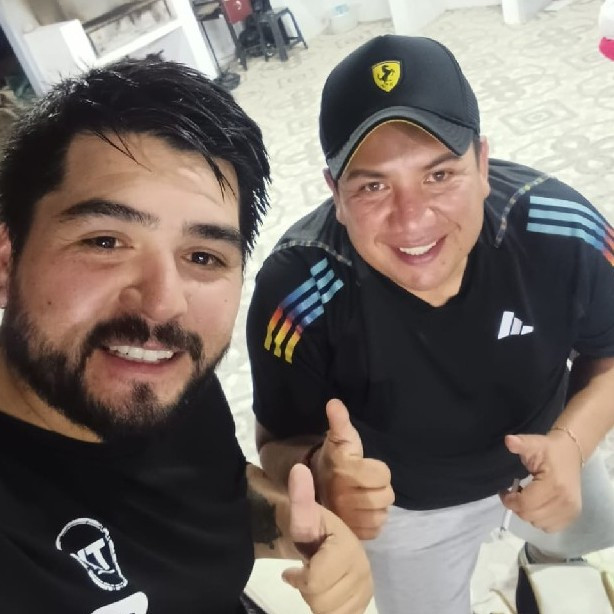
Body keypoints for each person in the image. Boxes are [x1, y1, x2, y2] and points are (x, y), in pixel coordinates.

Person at [246, 34, 614, 613]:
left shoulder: (561, 230)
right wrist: (322, 474)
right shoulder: (296, 293)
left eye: (439, 175)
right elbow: (276, 442)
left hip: (551, 451)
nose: (412, 219)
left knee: (575, 555)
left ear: (482, 163)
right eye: (373, 186)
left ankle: (540, 565)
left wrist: (571, 444)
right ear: (335, 194)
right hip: (406, 514)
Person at [0, 57, 373, 614]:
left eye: (202, 256)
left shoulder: (159, 371)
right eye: (105, 241)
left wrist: (300, 528)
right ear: (7, 260)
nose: (163, 304)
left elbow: (209, 495)